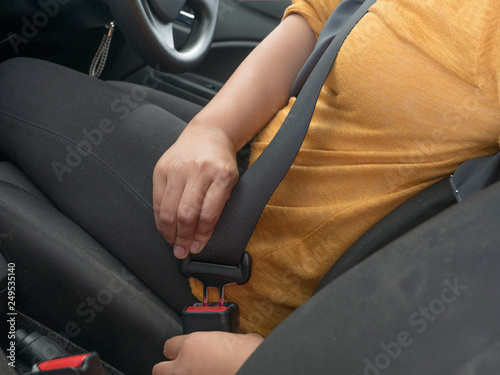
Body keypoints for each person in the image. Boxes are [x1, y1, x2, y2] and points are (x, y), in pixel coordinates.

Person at [0, 0, 499, 374]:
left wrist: (269, 364)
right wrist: (212, 129)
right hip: (256, 175)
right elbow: (317, 19)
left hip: (266, 291)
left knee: (13, 86)